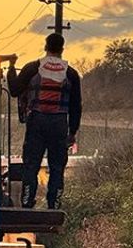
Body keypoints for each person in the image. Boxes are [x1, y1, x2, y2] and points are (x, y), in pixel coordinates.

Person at [7, 33, 82, 209]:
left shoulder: (32, 68)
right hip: (59, 123)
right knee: (57, 167)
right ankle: (54, 205)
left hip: (36, 121)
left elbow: (14, 90)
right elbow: (76, 106)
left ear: (45, 47)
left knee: (31, 165)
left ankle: (27, 202)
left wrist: (11, 67)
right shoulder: (71, 74)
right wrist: (72, 132)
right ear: (62, 49)